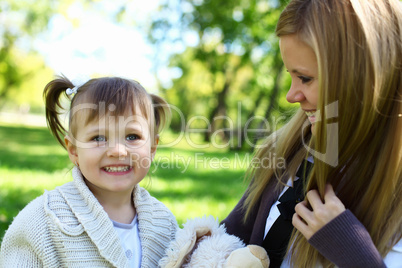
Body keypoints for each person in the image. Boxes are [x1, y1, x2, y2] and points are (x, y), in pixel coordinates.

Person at [221, 0, 402, 267]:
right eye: (290, 76)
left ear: (364, 78)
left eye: (305, 78)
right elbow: (228, 238)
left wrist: (352, 250)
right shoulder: (288, 150)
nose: (291, 95)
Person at [0, 76, 178, 267]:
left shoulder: (165, 225)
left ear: (152, 148)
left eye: (132, 136)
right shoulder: (42, 222)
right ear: (73, 150)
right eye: (99, 137)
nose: (117, 151)